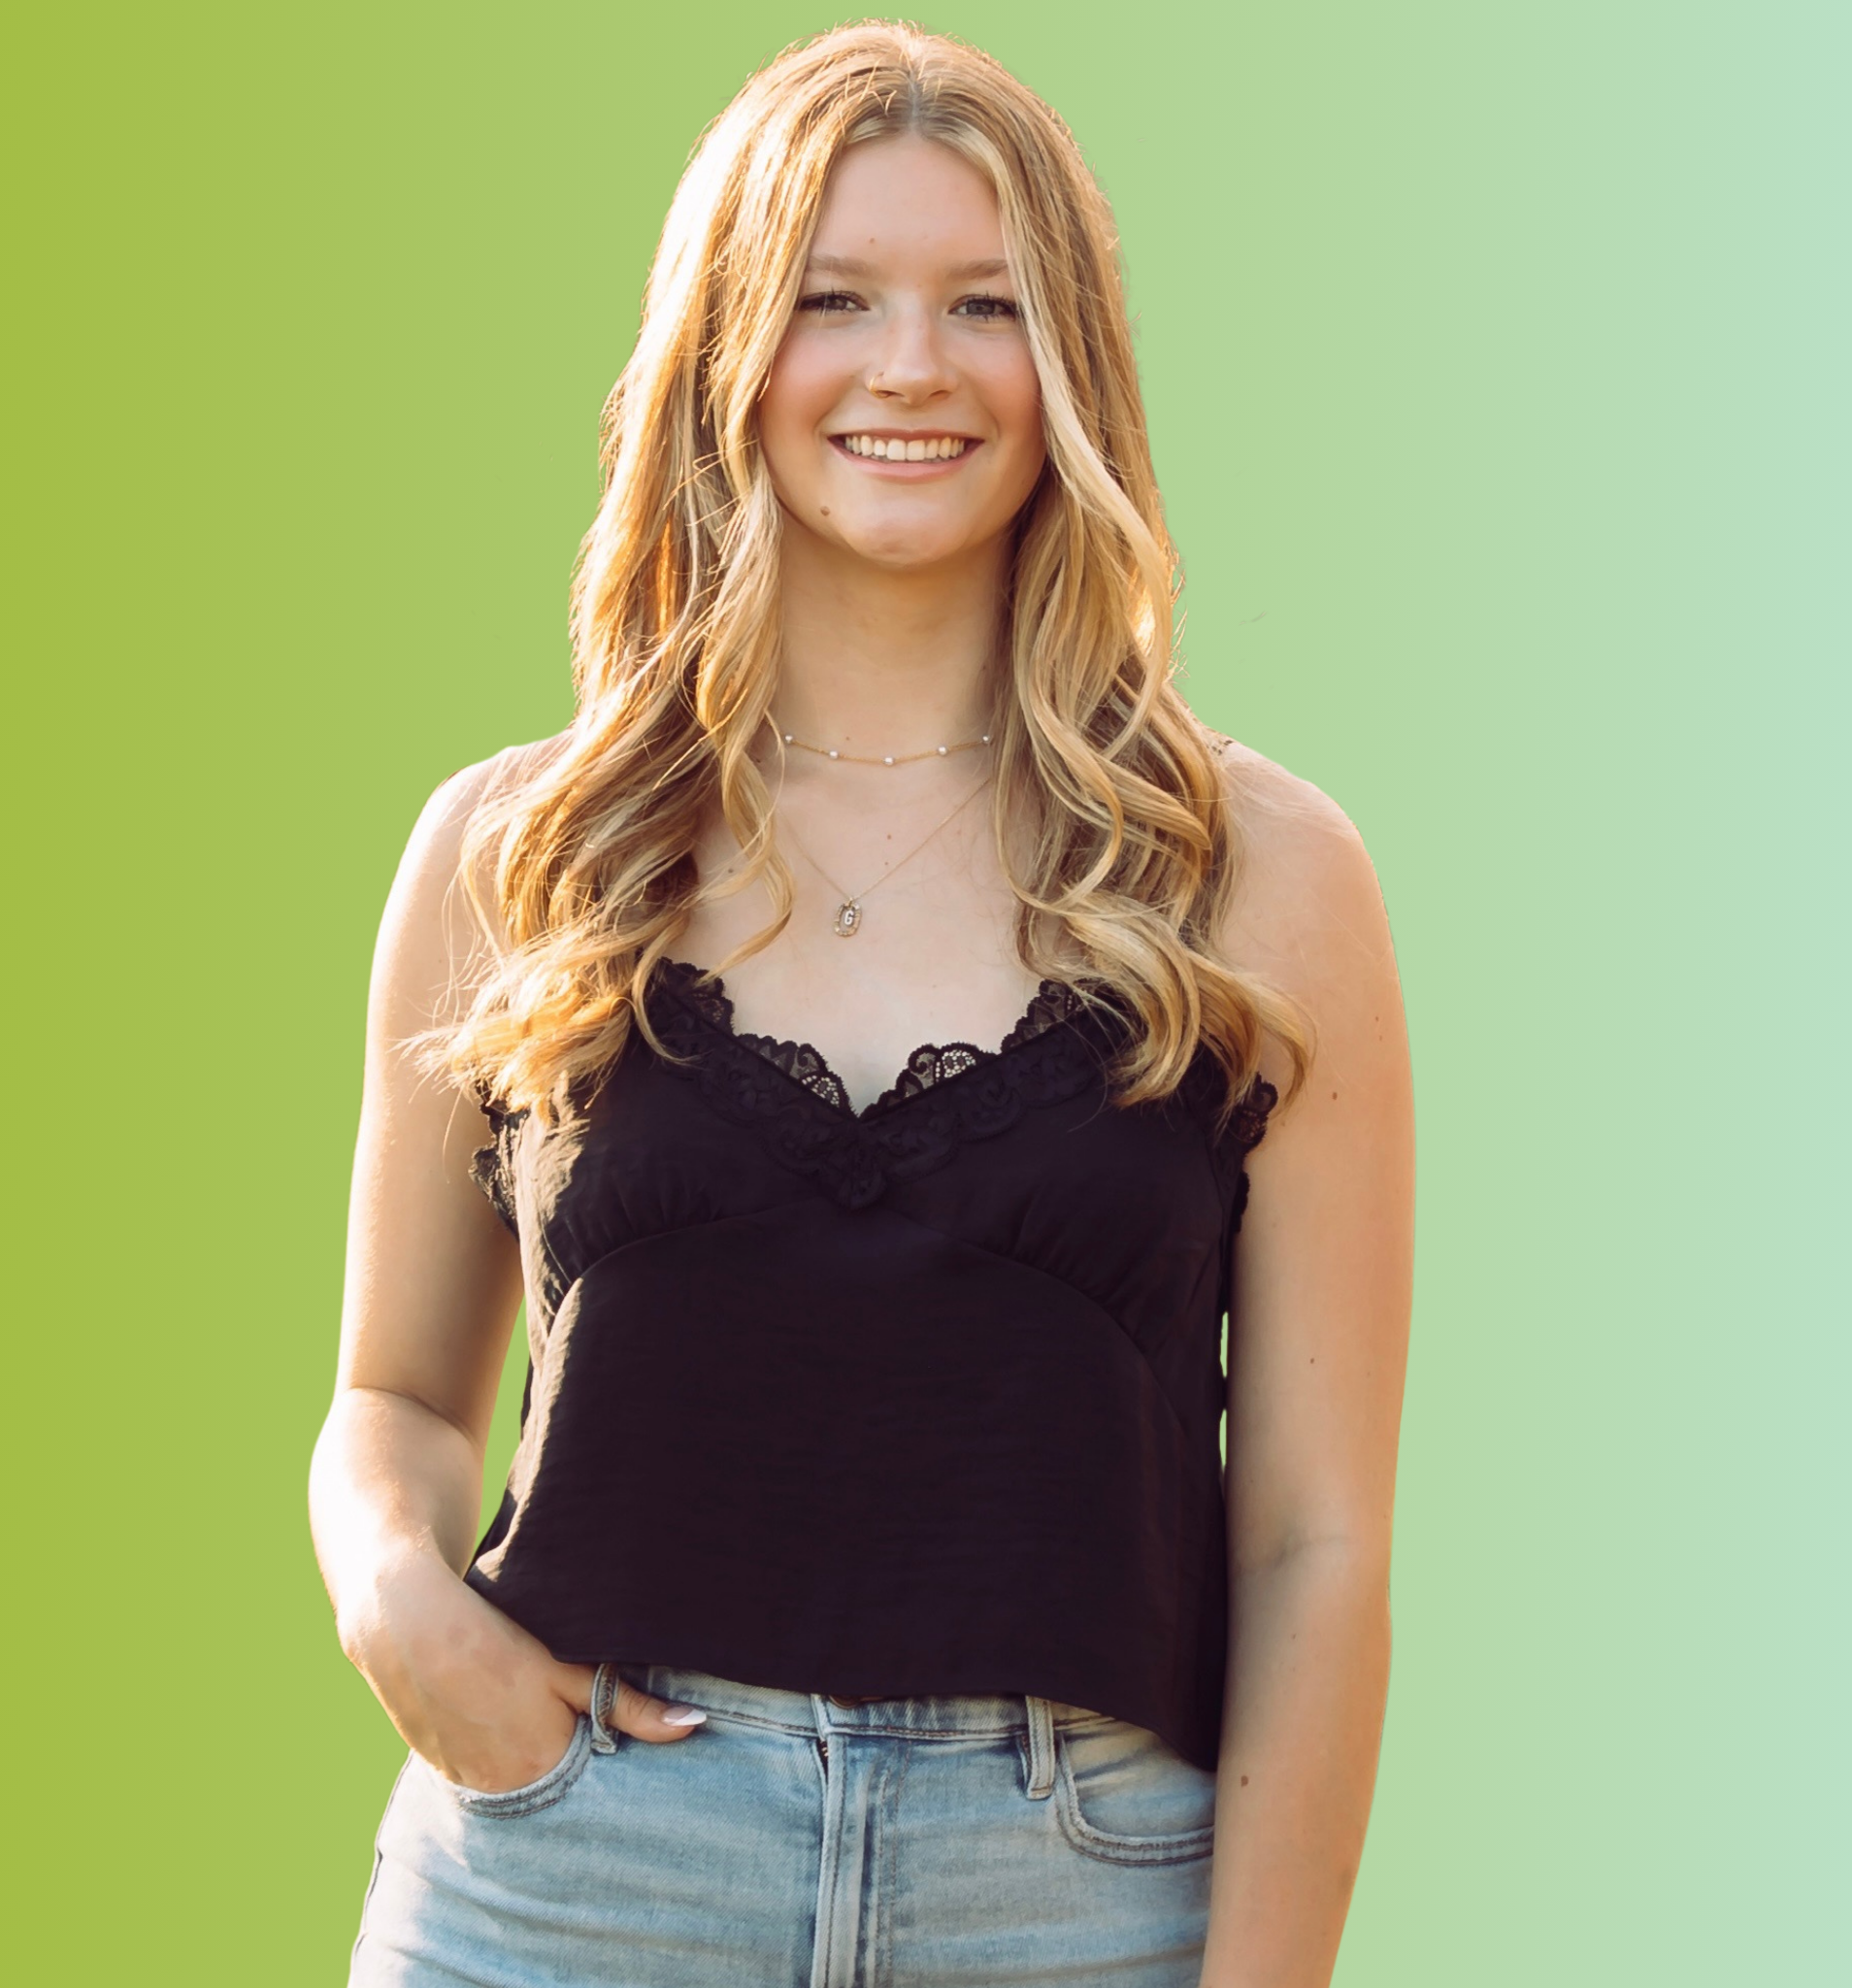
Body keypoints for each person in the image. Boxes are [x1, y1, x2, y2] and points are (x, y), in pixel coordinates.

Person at [310, 20, 1413, 1988]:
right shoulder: (519, 853)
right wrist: (401, 1604)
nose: (910, 366)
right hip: (575, 1873)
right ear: (726, 350)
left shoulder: (1258, 871)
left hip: (1083, 1887)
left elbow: (1314, 1547)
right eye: (835, 299)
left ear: (1066, 365)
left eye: (981, 303)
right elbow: (390, 1402)